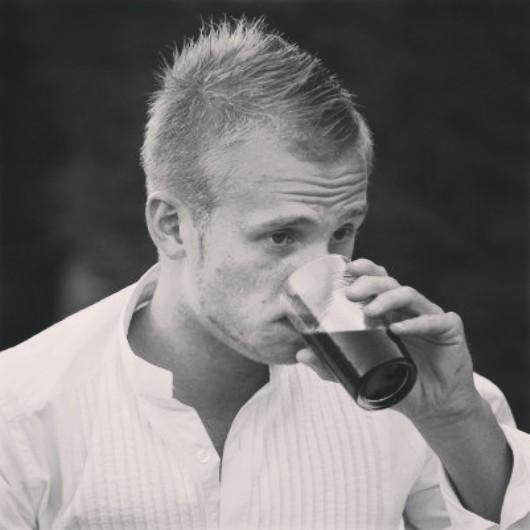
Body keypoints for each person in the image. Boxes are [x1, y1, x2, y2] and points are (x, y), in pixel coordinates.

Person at [0, 17, 529, 530]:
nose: (323, 272)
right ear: (172, 227)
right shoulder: (22, 414)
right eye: (282, 236)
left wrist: (453, 418)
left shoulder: (402, 390)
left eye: (342, 232)